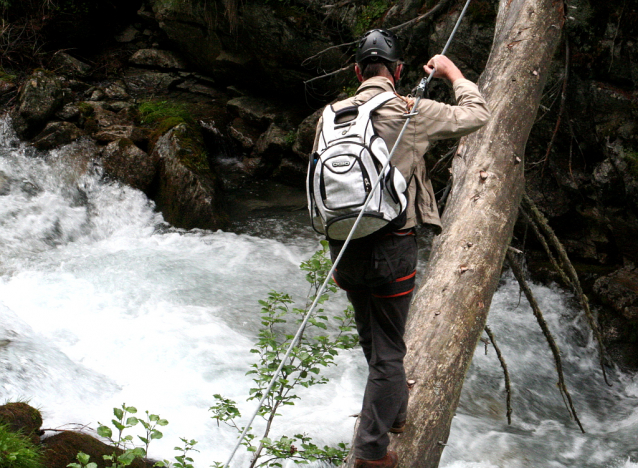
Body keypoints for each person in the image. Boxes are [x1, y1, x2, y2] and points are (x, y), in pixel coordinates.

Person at [311, 29, 490, 468]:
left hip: (343, 246)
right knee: (390, 352)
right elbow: (477, 113)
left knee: (375, 343)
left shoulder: (329, 115)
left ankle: (395, 415)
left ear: (356, 71)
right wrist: (451, 73)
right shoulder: (412, 111)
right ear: (398, 71)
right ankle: (371, 455)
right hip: (392, 246)